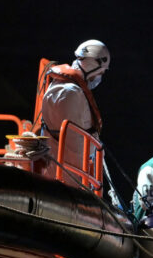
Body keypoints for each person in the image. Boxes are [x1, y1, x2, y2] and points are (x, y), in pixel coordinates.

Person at [39, 39, 110, 174]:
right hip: (65, 174)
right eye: (100, 73)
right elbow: (74, 142)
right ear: (93, 65)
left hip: (66, 170)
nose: (99, 77)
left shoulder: (64, 88)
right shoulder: (70, 93)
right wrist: (96, 148)